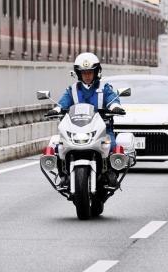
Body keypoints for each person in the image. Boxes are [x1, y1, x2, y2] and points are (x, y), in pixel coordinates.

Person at [51, 53, 124, 186]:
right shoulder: (72, 90)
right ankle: (63, 174)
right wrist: (56, 109)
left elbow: (112, 98)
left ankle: (111, 173)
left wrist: (115, 106)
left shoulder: (104, 88)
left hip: (103, 129)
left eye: (90, 72)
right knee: (58, 146)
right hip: (77, 128)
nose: (87, 75)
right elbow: (63, 102)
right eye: (84, 73)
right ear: (79, 74)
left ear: (96, 72)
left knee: (112, 145)